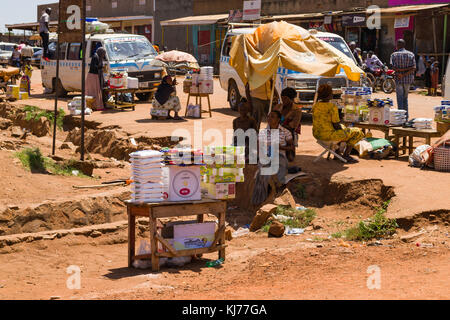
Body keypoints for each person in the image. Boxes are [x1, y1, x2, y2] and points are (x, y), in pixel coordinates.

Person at [312, 84, 364, 163]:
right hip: (329, 136)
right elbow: (336, 125)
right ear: (329, 95)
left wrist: (343, 128)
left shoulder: (315, 106)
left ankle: (337, 153)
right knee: (357, 132)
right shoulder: (332, 107)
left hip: (317, 135)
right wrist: (345, 130)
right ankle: (346, 155)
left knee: (342, 128)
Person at [252, 110, 294, 205]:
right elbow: (258, 147)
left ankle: (279, 193)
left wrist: (280, 147)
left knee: (278, 172)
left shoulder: (285, 132)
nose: (269, 119)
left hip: (280, 156)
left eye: (272, 117)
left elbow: (291, 147)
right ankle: (260, 199)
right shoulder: (263, 132)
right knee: (263, 172)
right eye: (268, 117)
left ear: (278, 119)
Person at [273, 87, 302, 162]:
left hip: (288, 131)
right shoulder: (278, 107)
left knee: (288, 133)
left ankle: (288, 151)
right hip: (276, 129)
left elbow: (293, 125)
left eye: (285, 98)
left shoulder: (296, 110)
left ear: (291, 99)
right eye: (282, 98)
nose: (283, 100)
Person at [390, 39, 416, 121]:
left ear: (397, 45)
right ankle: (406, 117)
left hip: (398, 79)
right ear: (404, 45)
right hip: (407, 79)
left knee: (399, 98)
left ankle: (400, 118)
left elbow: (393, 67)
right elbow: (413, 68)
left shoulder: (394, 55)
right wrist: (404, 74)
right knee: (405, 98)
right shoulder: (411, 54)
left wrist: (400, 73)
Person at [233, 98, 257, 162]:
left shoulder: (251, 120)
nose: (242, 111)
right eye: (241, 109)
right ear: (238, 110)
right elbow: (235, 135)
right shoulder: (235, 121)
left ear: (247, 110)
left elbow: (255, 133)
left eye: (244, 110)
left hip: (248, 142)